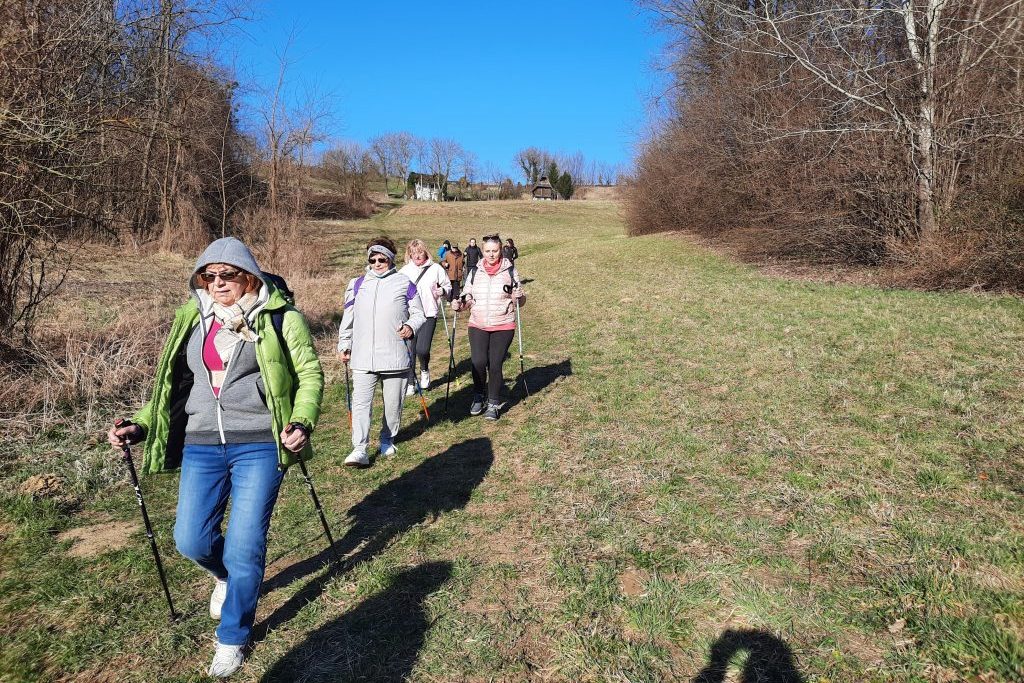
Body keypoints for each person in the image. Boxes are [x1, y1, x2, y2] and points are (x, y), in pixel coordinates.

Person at [107, 237, 323, 678]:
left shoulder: (280, 317)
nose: (218, 283)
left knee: (245, 545)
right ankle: (224, 576)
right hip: (202, 443)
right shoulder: (193, 317)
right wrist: (141, 423)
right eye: (209, 276)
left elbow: (309, 374)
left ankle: (233, 637)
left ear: (249, 277)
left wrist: (301, 421)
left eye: (228, 275)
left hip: (260, 443)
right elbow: (173, 383)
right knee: (191, 540)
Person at [337, 237, 426, 466]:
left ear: (391, 259)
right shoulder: (356, 284)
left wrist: (409, 327)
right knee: (360, 404)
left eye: (382, 259)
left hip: (395, 356)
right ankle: (360, 449)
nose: (377, 263)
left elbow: (419, 314)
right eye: (373, 259)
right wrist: (344, 344)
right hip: (362, 357)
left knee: (393, 404)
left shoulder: (404, 283)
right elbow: (348, 319)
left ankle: (387, 439)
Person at [452, 233, 525, 421]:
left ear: (501, 250)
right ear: (482, 251)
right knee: (477, 362)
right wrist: (461, 304)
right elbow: (467, 295)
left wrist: (518, 296)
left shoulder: (510, 270)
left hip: (503, 324)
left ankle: (493, 402)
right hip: (478, 324)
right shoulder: (475, 272)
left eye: (495, 251)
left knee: (494, 364)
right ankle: (478, 395)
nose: (491, 254)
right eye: (487, 251)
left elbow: (520, 301)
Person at [399, 239, 451, 393]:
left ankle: (424, 369)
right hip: (410, 316)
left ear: (425, 252)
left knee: (422, 349)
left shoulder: (435, 269)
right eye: (413, 253)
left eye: (420, 252)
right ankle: (410, 382)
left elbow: (447, 286)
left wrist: (443, 291)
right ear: (409, 255)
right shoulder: (404, 272)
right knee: (410, 351)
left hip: (429, 314)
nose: (417, 256)